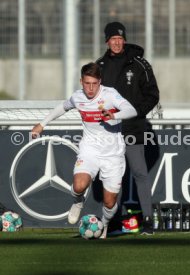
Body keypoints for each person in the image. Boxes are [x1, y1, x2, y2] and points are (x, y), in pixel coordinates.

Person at [31, 62, 137, 239]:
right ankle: (78, 202)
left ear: (100, 82)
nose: (91, 88)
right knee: (79, 185)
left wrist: (114, 115)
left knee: (110, 202)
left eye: (94, 83)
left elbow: (131, 110)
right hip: (90, 149)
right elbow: (62, 107)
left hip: (113, 154)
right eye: (87, 83)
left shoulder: (110, 95)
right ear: (81, 81)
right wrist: (42, 124)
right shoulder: (78, 97)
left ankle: (104, 223)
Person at [96, 22, 160, 235]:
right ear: (107, 41)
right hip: (109, 132)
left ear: (124, 40)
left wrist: (136, 112)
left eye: (120, 38)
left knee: (140, 173)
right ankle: (113, 222)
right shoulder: (100, 66)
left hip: (133, 130)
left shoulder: (140, 64)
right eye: (113, 38)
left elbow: (152, 94)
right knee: (113, 176)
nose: (116, 42)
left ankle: (148, 222)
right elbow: (94, 97)